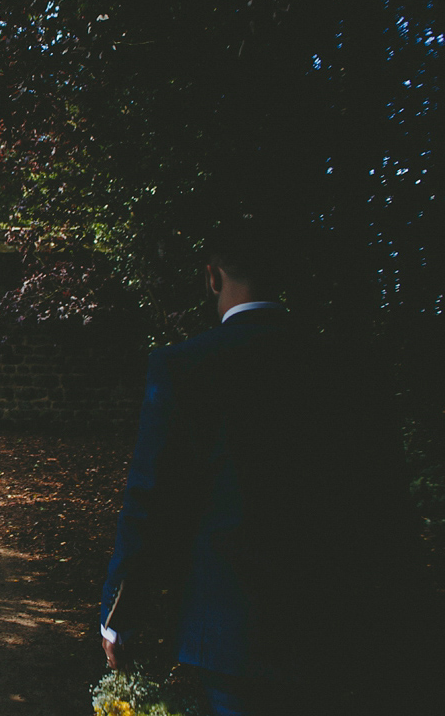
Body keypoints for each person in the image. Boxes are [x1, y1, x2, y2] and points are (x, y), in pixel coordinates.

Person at [99, 224, 428, 715]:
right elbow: (384, 502)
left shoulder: (184, 367)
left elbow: (151, 499)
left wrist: (119, 614)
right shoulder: (351, 368)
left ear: (213, 276)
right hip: (342, 624)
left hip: (233, 630)